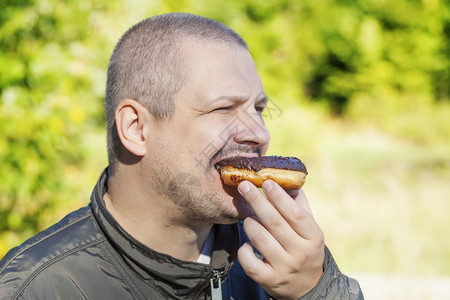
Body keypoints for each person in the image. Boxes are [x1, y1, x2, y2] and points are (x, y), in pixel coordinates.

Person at [0, 13, 363, 299]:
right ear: (137, 129)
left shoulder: (278, 261)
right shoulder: (37, 289)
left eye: (259, 109)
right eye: (224, 109)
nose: (260, 134)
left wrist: (316, 291)